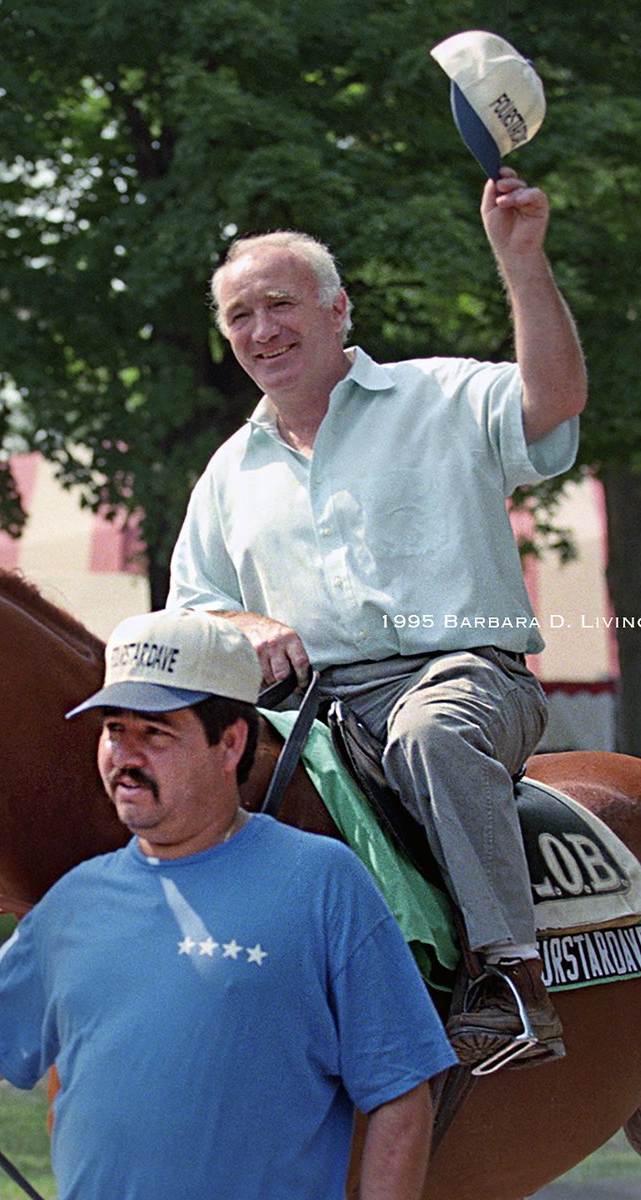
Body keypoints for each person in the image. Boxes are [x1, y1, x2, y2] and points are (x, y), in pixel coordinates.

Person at [0, 608, 456, 1200]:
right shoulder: (77, 899)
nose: (124, 756)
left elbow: (400, 1094)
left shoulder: (321, 882)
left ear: (230, 743)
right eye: (113, 730)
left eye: (155, 734)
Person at [167, 169, 587, 1070]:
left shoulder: (442, 395)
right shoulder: (227, 472)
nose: (261, 330)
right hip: (308, 710)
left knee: (431, 734)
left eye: (280, 304)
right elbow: (191, 608)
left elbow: (551, 403)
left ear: (337, 311)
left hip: (462, 679)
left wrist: (522, 262)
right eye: (239, 316)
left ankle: (511, 979)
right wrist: (243, 623)